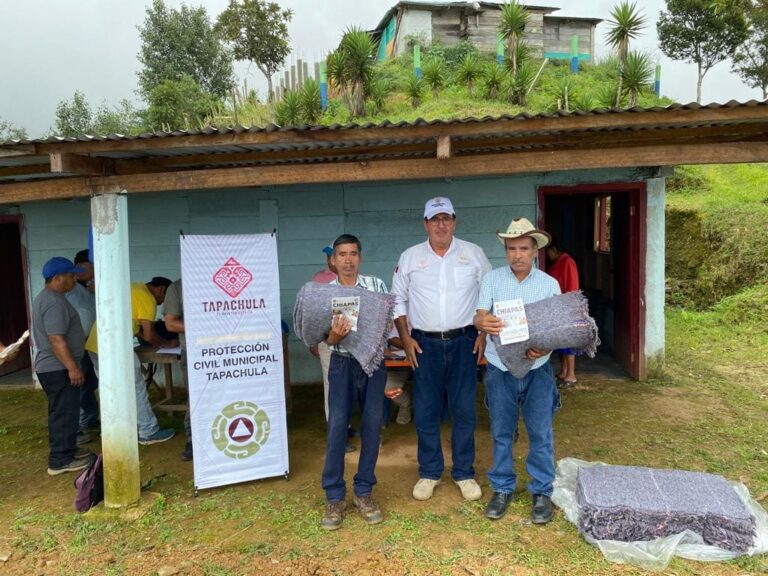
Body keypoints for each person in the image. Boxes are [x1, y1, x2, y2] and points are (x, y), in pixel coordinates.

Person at [391, 197, 491, 502]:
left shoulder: (473, 254)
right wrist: (405, 338)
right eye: (435, 219)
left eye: (446, 218)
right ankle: (430, 471)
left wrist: (484, 333)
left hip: (464, 342)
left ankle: (464, 472)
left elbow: (489, 294)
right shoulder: (409, 257)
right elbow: (397, 300)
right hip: (424, 345)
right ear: (425, 223)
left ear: (454, 221)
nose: (441, 225)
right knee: (426, 410)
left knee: (463, 410)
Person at [473, 217, 561, 524]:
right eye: (512, 248)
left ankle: (541, 491)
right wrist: (482, 323)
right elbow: (480, 315)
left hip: (538, 367)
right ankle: (502, 488)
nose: (518, 254)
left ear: (535, 250)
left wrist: (547, 347)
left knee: (540, 432)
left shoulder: (549, 285)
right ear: (505, 250)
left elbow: (556, 328)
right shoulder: (493, 279)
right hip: (500, 366)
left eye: (524, 248)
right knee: (500, 431)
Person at [320, 234, 388, 530]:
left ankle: (364, 491)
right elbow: (322, 334)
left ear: (360, 257)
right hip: (342, 362)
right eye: (342, 255)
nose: (348, 260)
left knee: (372, 427)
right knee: (337, 427)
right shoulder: (324, 293)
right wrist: (333, 337)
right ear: (333, 260)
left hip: (372, 363)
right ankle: (334, 496)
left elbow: (386, 322)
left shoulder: (376, 286)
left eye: (353, 254)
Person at [85, 277, 176, 445]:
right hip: (115, 348)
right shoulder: (147, 299)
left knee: (110, 390)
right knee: (136, 389)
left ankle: (117, 431)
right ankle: (148, 431)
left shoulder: (135, 287)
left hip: (96, 345)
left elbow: (133, 325)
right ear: (162, 289)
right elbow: (149, 335)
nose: (163, 303)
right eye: (166, 298)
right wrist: (168, 344)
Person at [32, 257, 92, 475]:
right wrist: (72, 367)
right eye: (70, 275)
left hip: (57, 367)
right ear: (57, 278)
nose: (74, 279)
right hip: (57, 368)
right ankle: (59, 460)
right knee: (63, 413)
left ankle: (68, 450)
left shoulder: (53, 298)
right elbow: (56, 339)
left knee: (67, 411)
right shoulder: (53, 302)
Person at [65, 249, 100, 440]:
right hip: (75, 345)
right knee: (76, 384)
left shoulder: (90, 287)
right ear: (80, 267)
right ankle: (77, 426)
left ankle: (89, 419)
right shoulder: (70, 290)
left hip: (91, 344)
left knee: (89, 383)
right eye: (91, 266)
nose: (94, 270)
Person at [162, 279, 192, 460]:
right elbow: (171, 323)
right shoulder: (177, 287)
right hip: (195, 350)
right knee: (197, 397)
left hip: (228, 348)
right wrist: (206, 329)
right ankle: (193, 441)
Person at [546, 239, 580, 388]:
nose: (547, 255)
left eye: (548, 251)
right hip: (557, 306)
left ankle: (571, 375)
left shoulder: (567, 262)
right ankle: (564, 371)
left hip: (567, 306)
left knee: (568, 342)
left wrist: (569, 307)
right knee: (560, 341)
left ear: (554, 249)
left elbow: (572, 286)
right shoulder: (558, 262)